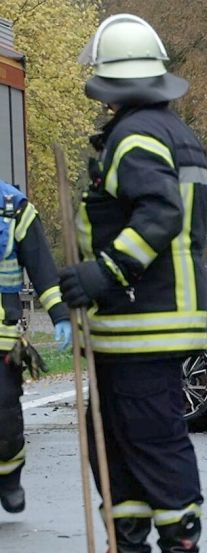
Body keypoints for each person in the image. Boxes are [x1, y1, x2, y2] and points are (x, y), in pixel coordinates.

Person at [59, 14, 207, 552]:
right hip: (149, 324)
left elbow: (160, 214)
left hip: (139, 323)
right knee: (121, 450)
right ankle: (132, 539)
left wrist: (102, 274)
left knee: (150, 446)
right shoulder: (172, 132)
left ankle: (173, 543)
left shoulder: (135, 137)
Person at [0, 180, 72, 513]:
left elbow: (41, 267)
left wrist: (59, 314)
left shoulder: (13, 207)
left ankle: (9, 476)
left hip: (2, 336)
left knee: (5, 416)